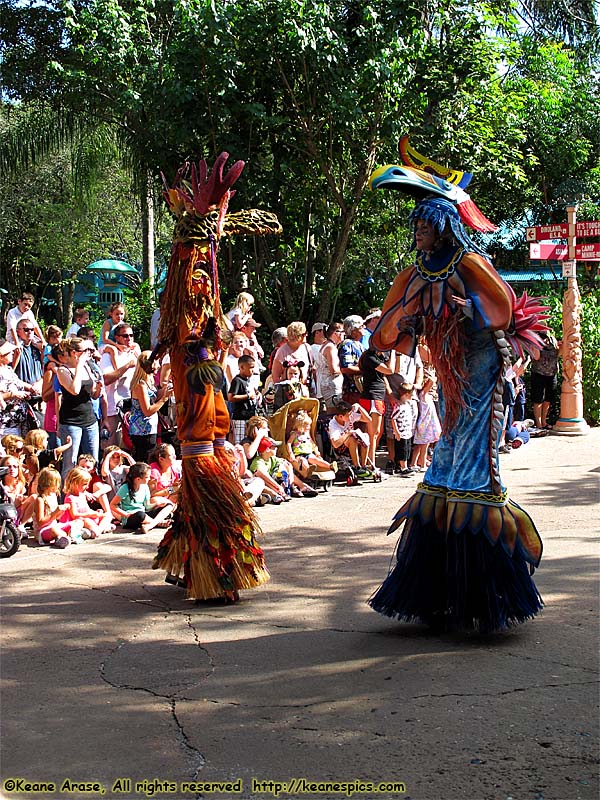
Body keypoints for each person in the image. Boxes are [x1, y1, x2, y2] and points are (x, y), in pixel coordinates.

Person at [367, 149, 545, 632]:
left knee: (470, 467)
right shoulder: (416, 273)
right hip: (447, 383)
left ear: (443, 223)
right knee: (444, 464)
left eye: (424, 224)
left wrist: (466, 312)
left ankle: (479, 595)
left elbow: (502, 308)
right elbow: (385, 333)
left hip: (481, 375)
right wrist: (406, 321)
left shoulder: (468, 261)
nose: (418, 233)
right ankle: (441, 592)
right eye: (416, 227)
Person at [54, 338, 103, 475]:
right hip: (71, 422)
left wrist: (98, 389)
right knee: (70, 463)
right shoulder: (62, 371)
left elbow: (93, 395)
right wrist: (79, 365)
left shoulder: (87, 367)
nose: (88, 354)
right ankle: (66, 496)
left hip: (89, 419)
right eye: (84, 351)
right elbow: (74, 390)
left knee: (92, 462)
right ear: (75, 353)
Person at [100, 322, 140, 446]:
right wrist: (127, 366)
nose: (129, 339)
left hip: (132, 406)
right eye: (125, 336)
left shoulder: (134, 352)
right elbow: (106, 379)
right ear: (117, 338)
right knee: (112, 446)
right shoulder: (109, 354)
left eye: (131, 335)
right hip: (113, 406)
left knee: (130, 445)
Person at [129, 351, 173, 463]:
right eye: (156, 362)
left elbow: (155, 396)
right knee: (144, 460)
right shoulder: (140, 385)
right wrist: (164, 399)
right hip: (142, 432)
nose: (158, 365)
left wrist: (166, 387)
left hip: (150, 429)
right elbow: (147, 411)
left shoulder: (149, 381)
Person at [110, 461, 175, 533]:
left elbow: (147, 506)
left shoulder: (145, 487)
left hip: (144, 513)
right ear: (138, 479)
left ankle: (150, 525)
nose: (150, 479)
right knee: (140, 515)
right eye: (147, 477)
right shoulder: (125, 488)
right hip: (132, 517)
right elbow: (112, 504)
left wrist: (156, 505)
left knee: (169, 505)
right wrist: (126, 514)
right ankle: (158, 523)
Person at [357, 346, 394, 468]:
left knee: (376, 432)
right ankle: (369, 463)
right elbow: (390, 370)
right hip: (372, 397)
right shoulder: (370, 357)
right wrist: (393, 351)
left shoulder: (378, 357)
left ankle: (370, 462)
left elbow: (393, 369)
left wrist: (396, 355)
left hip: (378, 396)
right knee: (371, 433)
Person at [33, 466, 83, 547]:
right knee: (54, 530)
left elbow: (57, 518)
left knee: (78, 522)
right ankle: (66, 537)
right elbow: (40, 523)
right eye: (56, 483)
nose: (58, 485)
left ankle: (62, 537)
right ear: (48, 483)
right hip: (43, 531)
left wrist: (61, 511)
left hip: (54, 525)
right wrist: (55, 511)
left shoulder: (53, 495)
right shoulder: (40, 500)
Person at [0, 339, 38, 437]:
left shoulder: (8, 369)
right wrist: (15, 394)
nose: (13, 353)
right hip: (6, 424)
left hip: (20, 421)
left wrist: (30, 388)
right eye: (9, 352)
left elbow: (17, 382)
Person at [62, 466, 113, 538]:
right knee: (86, 521)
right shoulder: (70, 498)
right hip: (80, 520)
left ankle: (96, 530)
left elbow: (86, 509)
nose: (87, 487)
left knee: (108, 515)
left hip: (89, 517)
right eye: (84, 484)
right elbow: (74, 515)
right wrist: (90, 514)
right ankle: (97, 531)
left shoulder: (82, 494)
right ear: (75, 483)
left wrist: (96, 513)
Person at [328, 400, 372, 477]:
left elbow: (368, 419)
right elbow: (335, 444)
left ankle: (364, 465)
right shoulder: (333, 424)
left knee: (365, 436)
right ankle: (356, 467)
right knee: (351, 439)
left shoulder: (349, 416)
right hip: (341, 448)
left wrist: (359, 407)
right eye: (349, 415)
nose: (351, 416)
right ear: (341, 416)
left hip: (353, 444)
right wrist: (348, 433)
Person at [286, 409, 335, 477]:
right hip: (299, 455)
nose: (309, 427)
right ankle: (308, 470)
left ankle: (330, 466)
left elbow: (312, 443)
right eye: (307, 426)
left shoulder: (307, 434)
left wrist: (317, 452)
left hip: (308, 453)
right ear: (300, 426)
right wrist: (291, 453)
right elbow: (288, 443)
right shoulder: (294, 434)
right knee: (303, 461)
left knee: (315, 459)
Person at [409, 371, 441, 472]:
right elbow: (432, 380)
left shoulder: (425, 395)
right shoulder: (423, 394)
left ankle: (414, 463)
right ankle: (421, 463)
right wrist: (428, 376)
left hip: (427, 422)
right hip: (425, 423)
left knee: (421, 444)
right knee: (424, 444)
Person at [531, 331, 560, 429]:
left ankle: (544, 422)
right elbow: (536, 356)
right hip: (539, 374)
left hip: (552, 374)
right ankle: (539, 424)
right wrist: (536, 344)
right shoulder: (534, 342)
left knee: (548, 399)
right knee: (538, 399)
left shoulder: (553, 341)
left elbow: (559, 352)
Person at [228, 354, 259, 444]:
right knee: (240, 442)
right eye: (250, 367)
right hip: (240, 417)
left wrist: (257, 394)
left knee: (250, 441)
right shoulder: (237, 380)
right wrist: (248, 396)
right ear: (242, 367)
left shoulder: (248, 380)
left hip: (249, 416)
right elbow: (231, 397)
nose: (253, 370)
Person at [390, 382, 417, 476]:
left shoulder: (408, 405)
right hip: (401, 432)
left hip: (407, 431)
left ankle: (404, 466)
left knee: (407, 449)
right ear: (406, 394)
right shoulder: (399, 407)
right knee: (402, 450)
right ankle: (403, 467)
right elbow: (393, 418)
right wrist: (396, 431)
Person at [316, 323, 345, 409]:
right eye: (342, 331)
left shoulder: (326, 345)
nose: (344, 334)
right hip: (331, 387)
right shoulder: (330, 347)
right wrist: (345, 370)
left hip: (328, 385)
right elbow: (333, 370)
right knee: (334, 413)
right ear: (336, 333)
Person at [339, 316, 365, 405]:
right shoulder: (347, 344)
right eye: (361, 326)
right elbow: (345, 368)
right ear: (353, 331)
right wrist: (366, 370)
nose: (364, 327)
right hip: (352, 391)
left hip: (360, 389)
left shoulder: (359, 345)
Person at [13, 318, 44, 393]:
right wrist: (29, 387)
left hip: (38, 394)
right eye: (26, 330)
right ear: (18, 332)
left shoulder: (38, 348)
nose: (30, 332)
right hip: (21, 395)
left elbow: (45, 370)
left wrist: (39, 384)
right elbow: (9, 374)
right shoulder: (14, 350)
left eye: (32, 329)